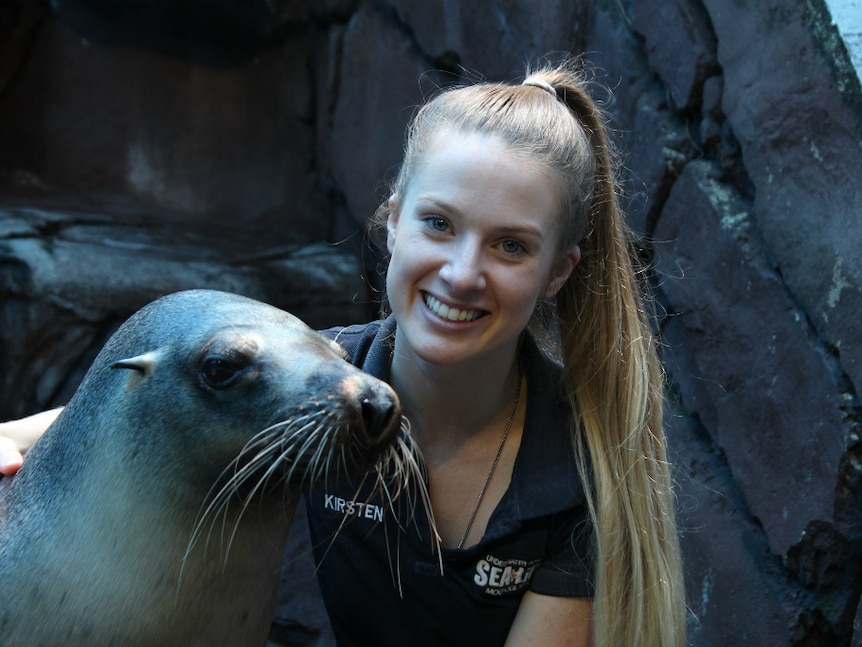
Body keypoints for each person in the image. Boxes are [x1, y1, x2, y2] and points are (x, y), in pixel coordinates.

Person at [0, 59, 687, 646]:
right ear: (394, 219)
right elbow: (107, 414)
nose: (461, 273)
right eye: (439, 224)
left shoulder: (582, 467)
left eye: (511, 245)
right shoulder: (330, 382)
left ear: (557, 273)